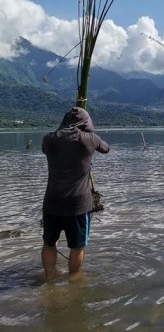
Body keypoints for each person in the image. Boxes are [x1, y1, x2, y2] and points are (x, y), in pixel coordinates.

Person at [41, 107, 110, 281]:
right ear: (87, 123)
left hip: (52, 203)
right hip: (77, 206)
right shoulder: (89, 139)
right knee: (77, 247)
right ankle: (73, 282)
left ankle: (50, 279)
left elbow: (48, 148)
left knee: (49, 243)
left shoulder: (49, 139)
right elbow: (106, 149)